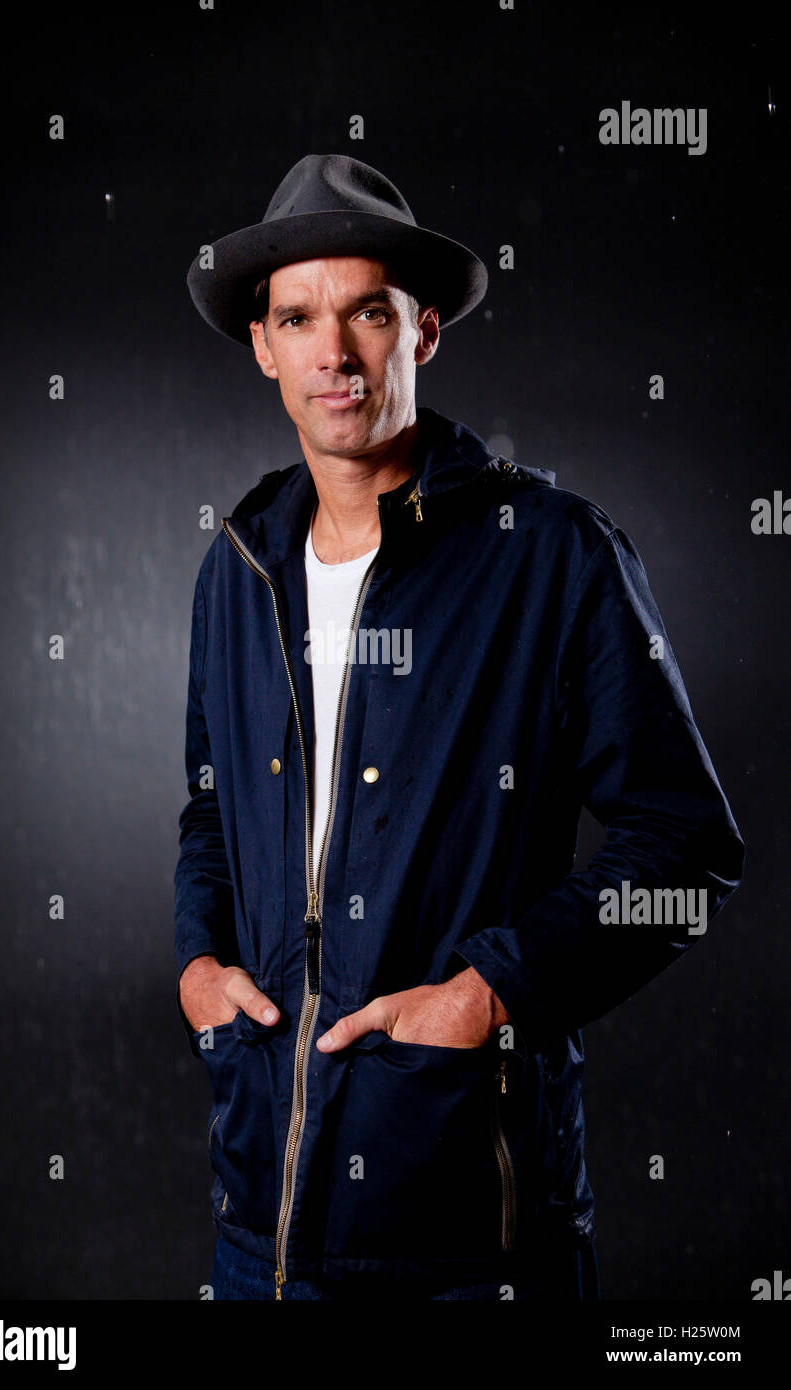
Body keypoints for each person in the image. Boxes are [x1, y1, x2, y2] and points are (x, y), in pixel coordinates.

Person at [174, 153, 744, 1301]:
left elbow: (684, 843)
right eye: (299, 317)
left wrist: (487, 993)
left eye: (366, 314)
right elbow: (209, 805)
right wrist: (196, 963)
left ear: (420, 333)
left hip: (469, 1233)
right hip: (263, 1227)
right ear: (263, 344)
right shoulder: (236, 566)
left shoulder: (550, 553)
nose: (333, 354)